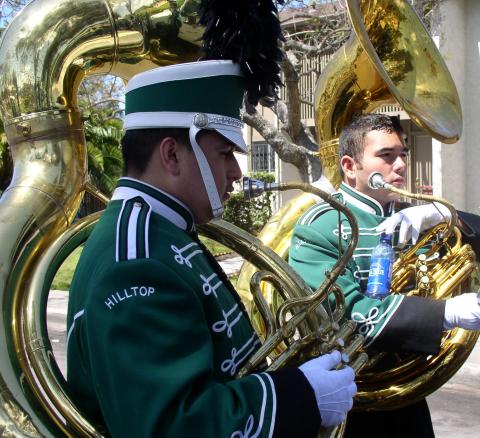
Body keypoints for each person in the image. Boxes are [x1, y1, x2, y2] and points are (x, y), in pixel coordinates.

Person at [66, 60, 357, 438]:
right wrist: (298, 395)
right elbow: (170, 426)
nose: (236, 171)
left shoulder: (161, 230)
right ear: (171, 155)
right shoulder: (137, 259)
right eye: (224, 154)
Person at [288, 113, 480, 438]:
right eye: (386, 156)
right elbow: (341, 318)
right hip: (352, 405)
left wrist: (450, 217)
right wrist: (447, 313)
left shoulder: (415, 216)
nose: (401, 165)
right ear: (350, 167)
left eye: (403, 154)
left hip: (408, 398)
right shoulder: (321, 224)